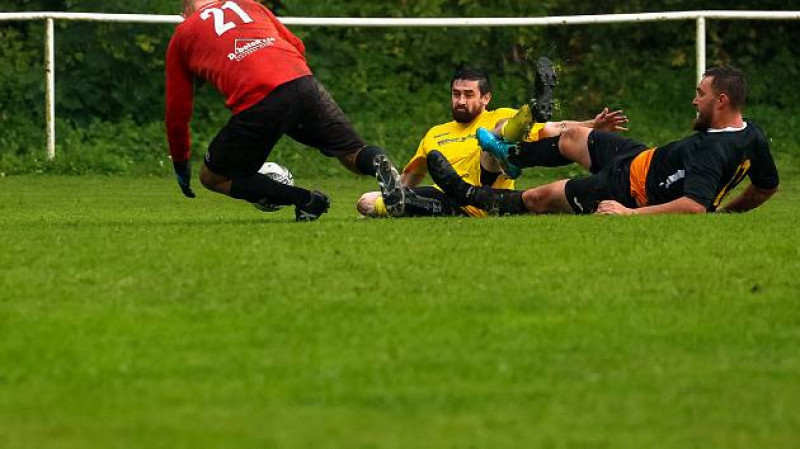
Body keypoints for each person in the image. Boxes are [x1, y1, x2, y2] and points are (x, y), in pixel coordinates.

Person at [427, 65, 779, 216]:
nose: (694, 100)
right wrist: (728, 214)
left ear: (721, 101)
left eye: (700, 94)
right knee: (573, 136)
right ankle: (512, 155)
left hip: (628, 189)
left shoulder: (713, 151)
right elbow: (766, 187)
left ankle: (466, 193)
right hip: (641, 158)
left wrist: (630, 213)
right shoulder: (751, 134)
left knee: (539, 197)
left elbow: (694, 206)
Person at [165, 0, 395, 221]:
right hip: (302, 82)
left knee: (213, 177)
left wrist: (180, 164)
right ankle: (378, 163)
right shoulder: (249, 5)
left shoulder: (183, 33)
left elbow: (177, 111)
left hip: (260, 99)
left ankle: (306, 201)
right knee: (351, 154)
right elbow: (297, 45)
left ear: (184, 15)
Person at [358, 62, 628, 218]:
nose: (461, 100)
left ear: (486, 98)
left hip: (485, 192)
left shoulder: (499, 115)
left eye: (468, 95)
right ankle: (415, 205)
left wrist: (591, 125)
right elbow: (408, 180)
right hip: (445, 197)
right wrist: (394, 195)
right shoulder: (434, 133)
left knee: (492, 134)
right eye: (456, 94)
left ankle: (532, 112)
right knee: (366, 201)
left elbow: (555, 128)